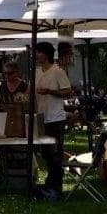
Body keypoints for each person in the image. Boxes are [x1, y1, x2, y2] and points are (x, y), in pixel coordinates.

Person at [35, 41, 73, 197]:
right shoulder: (37, 71)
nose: (36, 55)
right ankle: (49, 184)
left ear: (47, 54)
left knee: (55, 154)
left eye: (39, 52)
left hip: (55, 118)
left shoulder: (57, 71)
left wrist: (50, 91)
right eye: (36, 52)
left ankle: (56, 188)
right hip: (42, 118)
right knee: (46, 154)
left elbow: (68, 92)